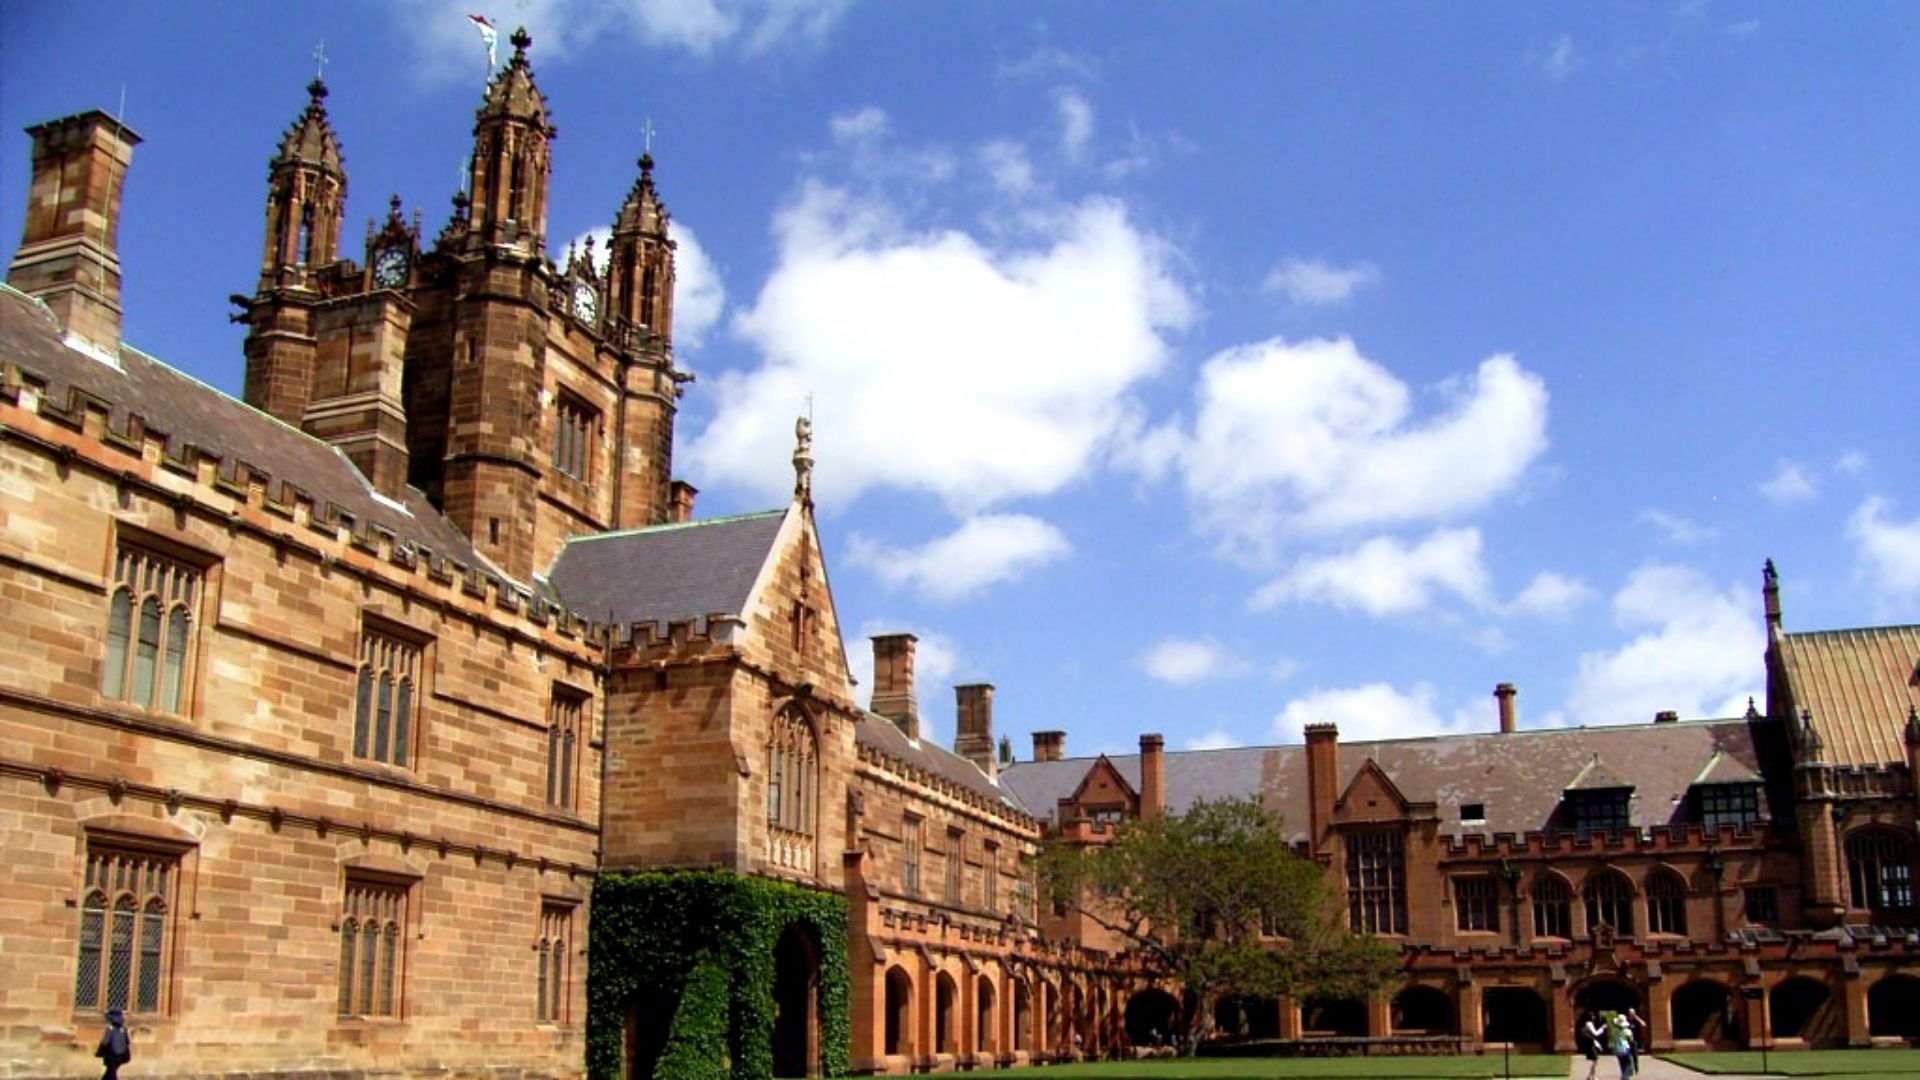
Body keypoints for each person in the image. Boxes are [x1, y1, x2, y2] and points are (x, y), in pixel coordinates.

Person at [94, 1009, 131, 1080]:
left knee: (111, 1074)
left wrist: (99, 1053)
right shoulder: (123, 1029)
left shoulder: (110, 1028)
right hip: (120, 1056)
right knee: (109, 1074)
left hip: (111, 1056)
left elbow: (104, 1043)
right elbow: (127, 1042)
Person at [1579, 1011, 1606, 1080]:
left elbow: (1592, 1036)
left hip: (1590, 1043)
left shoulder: (1586, 1024)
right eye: (1593, 1016)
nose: (1594, 1017)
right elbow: (1595, 1034)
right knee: (1595, 1060)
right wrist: (1602, 1028)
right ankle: (1592, 1077)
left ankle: (1590, 1076)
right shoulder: (1589, 1024)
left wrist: (1598, 1045)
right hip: (1590, 1045)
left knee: (1595, 1061)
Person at [1609, 1013, 1636, 1080]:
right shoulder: (1627, 1031)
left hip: (1618, 1049)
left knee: (1622, 1064)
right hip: (1625, 1049)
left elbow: (1613, 1038)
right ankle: (1625, 1077)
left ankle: (1623, 1075)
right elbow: (1631, 1040)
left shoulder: (1614, 1031)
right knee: (1628, 1064)